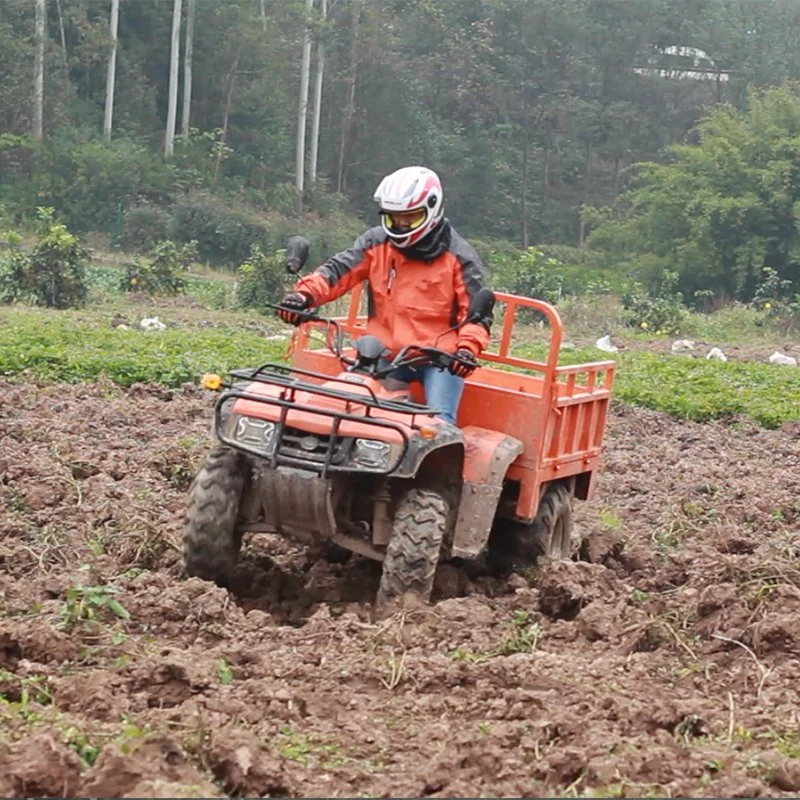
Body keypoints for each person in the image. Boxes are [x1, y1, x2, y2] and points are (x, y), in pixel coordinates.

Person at [277, 165, 492, 425]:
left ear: (432, 211)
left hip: (439, 360)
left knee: (438, 425)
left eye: (409, 218)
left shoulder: (460, 258)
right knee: (342, 409)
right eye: (393, 218)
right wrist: (303, 297)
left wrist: (466, 350)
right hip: (383, 353)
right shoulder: (376, 243)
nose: (400, 225)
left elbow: (476, 316)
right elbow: (338, 271)